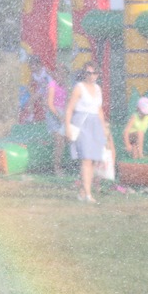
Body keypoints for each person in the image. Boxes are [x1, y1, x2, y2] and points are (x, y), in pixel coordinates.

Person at [63, 61, 110, 203]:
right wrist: (67, 126)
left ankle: (83, 191)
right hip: (82, 123)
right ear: (84, 73)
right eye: (88, 73)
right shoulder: (79, 87)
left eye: (94, 73)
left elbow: (99, 110)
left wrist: (104, 128)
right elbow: (69, 108)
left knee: (94, 159)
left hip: (95, 123)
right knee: (86, 158)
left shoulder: (98, 89)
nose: (91, 76)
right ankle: (88, 194)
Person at [42, 64, 69, 174]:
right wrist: (59, 116)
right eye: (59, 73)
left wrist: (66, 115)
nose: (61, 76)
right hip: (53, 114)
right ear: (55, 74)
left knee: (63, 141)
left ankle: (59, 163)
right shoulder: (52, 84)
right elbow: (49, 104)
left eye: (63, 74)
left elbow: (66, 103)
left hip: (61, 113)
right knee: (59, 140)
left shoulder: (65, 86)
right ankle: (57, 167)